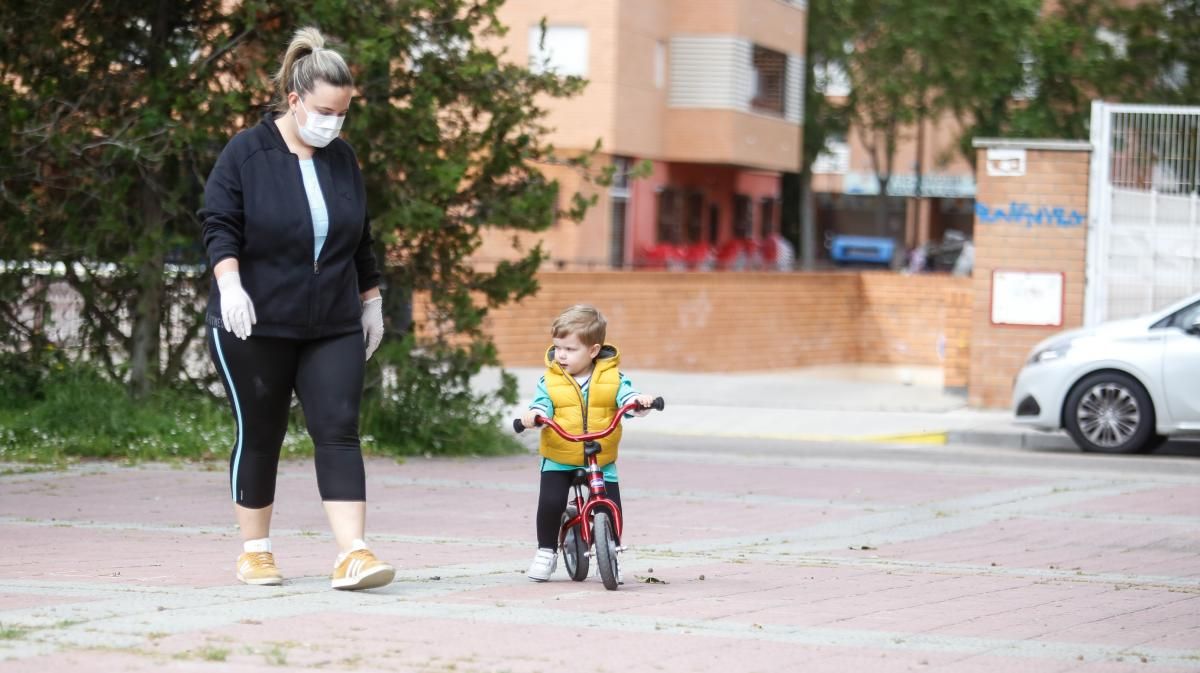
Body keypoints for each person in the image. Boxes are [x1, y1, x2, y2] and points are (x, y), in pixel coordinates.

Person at [200, 27, 394, 591]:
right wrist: (230, 286)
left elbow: (361, 235)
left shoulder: (341, 158)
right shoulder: (247, 152)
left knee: (338, 429)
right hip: (255, 319)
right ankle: (255, 552)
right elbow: (219, 225)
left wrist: (371, 299)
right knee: (260, 432)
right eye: (326, 111)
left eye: (343, 113)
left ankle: (352, 553)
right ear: (295, 100)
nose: (334, 123)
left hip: (331, 321)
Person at [519, 305, 655, 582]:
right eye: (558, 348)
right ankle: (546, 551)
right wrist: (535, 415)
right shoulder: (550, 379)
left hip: (599, 456)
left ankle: (611, 552)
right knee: (551, 502)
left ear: (593, 351)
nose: (562, 355)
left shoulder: (613, 378)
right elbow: (541, 403)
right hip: (559, 454)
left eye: (570, 349)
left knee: (609, 504)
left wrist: (640, 403)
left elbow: (627, 398)